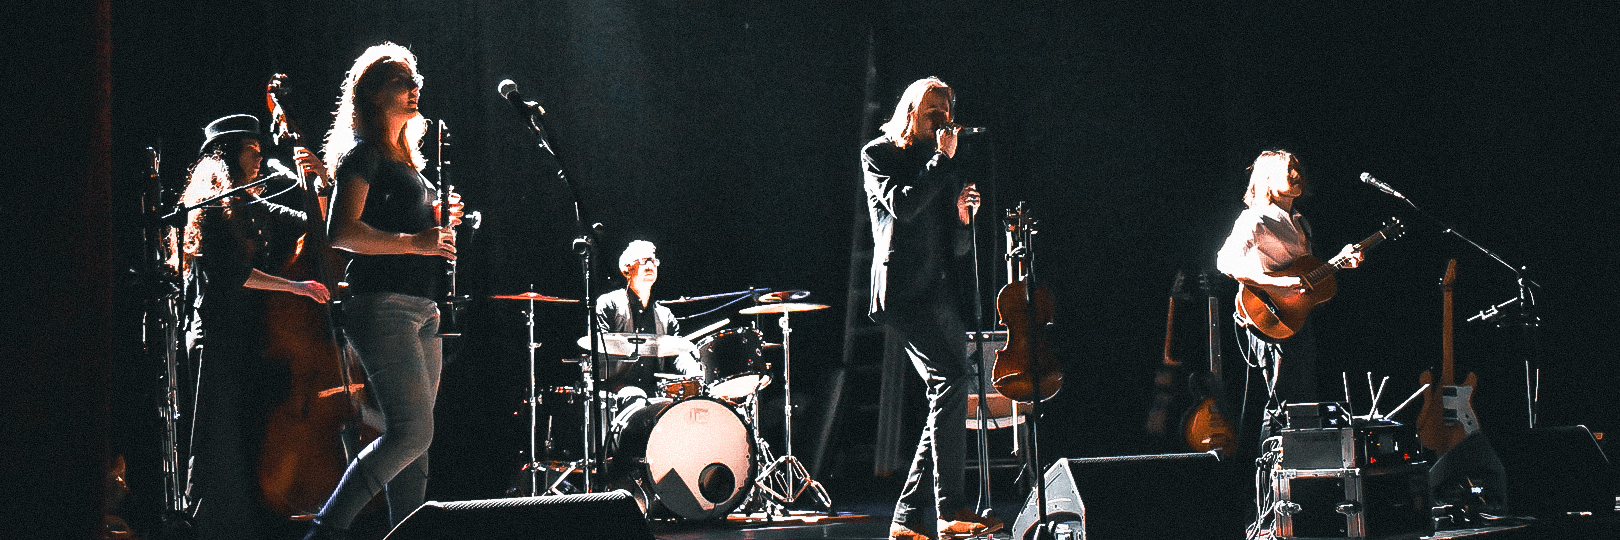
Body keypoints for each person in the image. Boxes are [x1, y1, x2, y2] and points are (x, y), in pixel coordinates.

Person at [305, 42, 460, 540]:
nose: (415, 88)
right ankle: (325, 532)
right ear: (372, 93)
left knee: (415, 448)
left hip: (423, 309)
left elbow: (403, 228)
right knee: (412, 434)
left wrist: (435, 223)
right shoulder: (364, 154)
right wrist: (417, 241)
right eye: (400, 81)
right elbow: (341, 231)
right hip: (383, 307)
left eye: (415, 80)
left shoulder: (408, 158)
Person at [174, 113, 331, 540]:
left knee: (243, 440)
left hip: (247, 336)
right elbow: (231, 274)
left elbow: (314, 228)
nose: (261, 160)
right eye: (253, 152)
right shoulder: (211, 204)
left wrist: (317, 186)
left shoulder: (251, 203)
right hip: (215, 338)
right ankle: (206, 528)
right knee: (216, 440)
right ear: (227, 156)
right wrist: (295, 286)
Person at [863, 77, 1001, 540]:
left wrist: (964, 218)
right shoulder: (879, 154)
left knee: (948, 389)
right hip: (902, 291)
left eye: (947, 110)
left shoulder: (939, 165)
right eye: (933, 111)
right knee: (952, 381)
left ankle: (905, 519)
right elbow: (902, 207)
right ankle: (949, 510)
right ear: (911, 111)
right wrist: (943, 161)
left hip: (935, 288)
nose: (943, 118)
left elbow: (957, 248)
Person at [1215, 149, 1362, 445]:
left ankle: (1301, 473)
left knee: (1302, 402)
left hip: (1296, 319)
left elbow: (1306, 273)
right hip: (1268, 315)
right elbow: (1225, 262)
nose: (1297, 174)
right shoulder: (1254, 219)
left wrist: (1340, 261)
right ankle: (1274, 479)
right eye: (1288, 170)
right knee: (1282, 405)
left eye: (1298, 168)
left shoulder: (1299, 222)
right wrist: (1273, 284)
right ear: (1267, 179)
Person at [594, 240, 702, 395]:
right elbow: (598, 347)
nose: (651, 265)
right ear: (627, 269)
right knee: (634, 395)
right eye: (644, 261)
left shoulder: (665, 315)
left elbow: (678, 354)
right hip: (615, 389)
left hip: (656, 391)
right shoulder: (608, 304)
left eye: (654, 261)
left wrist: (696, 373)